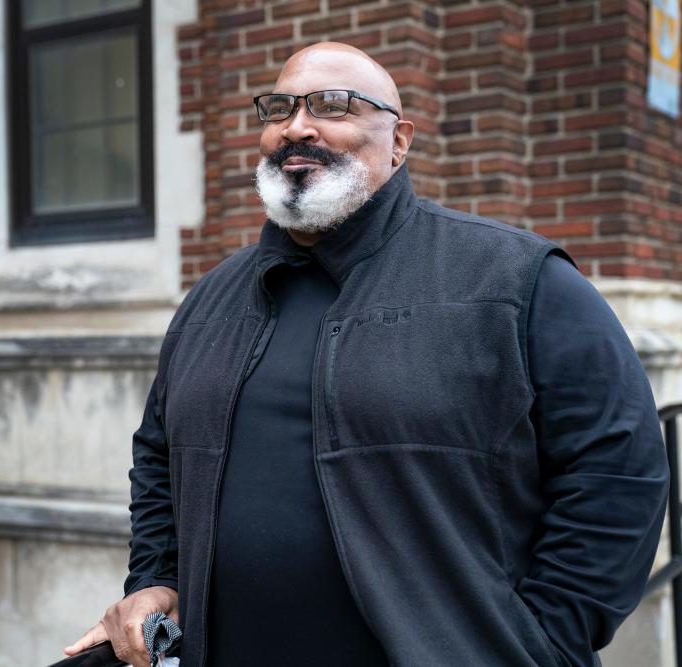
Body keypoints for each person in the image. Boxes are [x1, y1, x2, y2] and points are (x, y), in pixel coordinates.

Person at [64, 42, 669, 667]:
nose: (297, 127)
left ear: (399, 141)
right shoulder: (210, 299)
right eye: (279, 110)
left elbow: (619, 473)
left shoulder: (516, 280)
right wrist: (155, 578)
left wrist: (539, 644)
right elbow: (159, 458)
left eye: (333, 105)